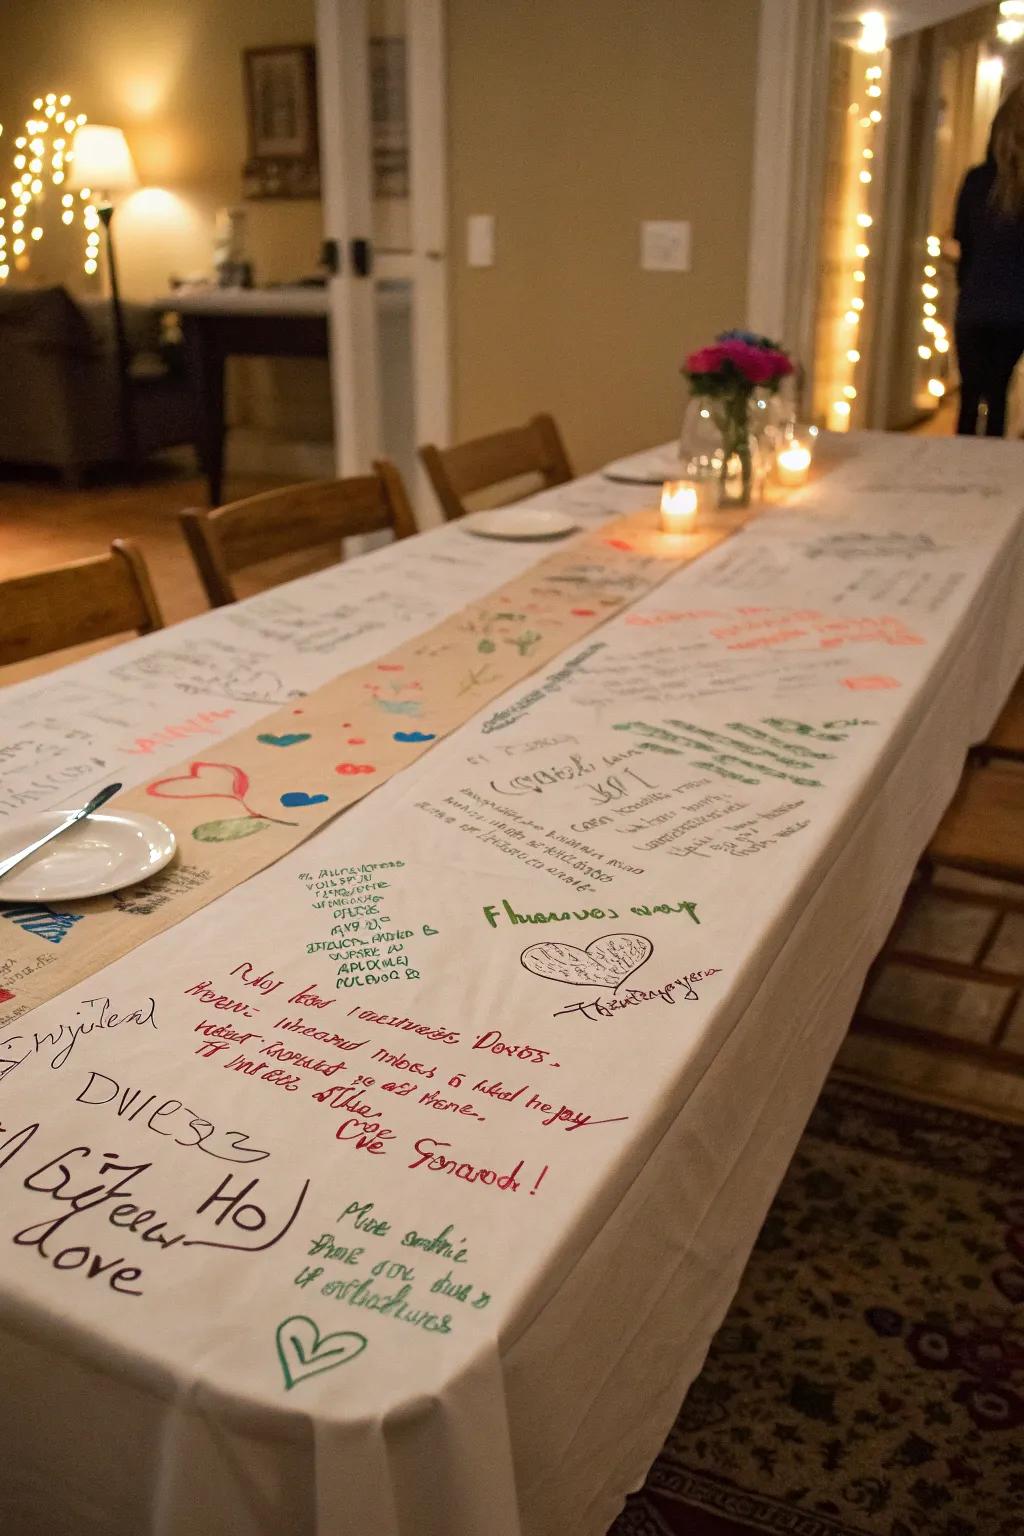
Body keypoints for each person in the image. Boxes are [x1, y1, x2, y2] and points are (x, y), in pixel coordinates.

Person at [953, 81, 1024, 437]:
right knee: (998, 397)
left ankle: (955, 477)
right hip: (1016, 310)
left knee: (968, 399)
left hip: (976, 304)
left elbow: (964, 244)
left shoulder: (977, 182)